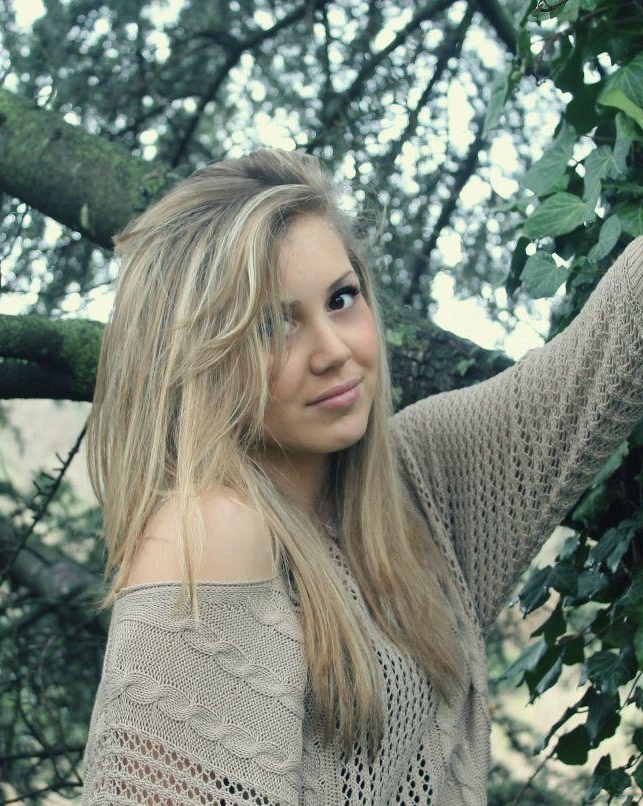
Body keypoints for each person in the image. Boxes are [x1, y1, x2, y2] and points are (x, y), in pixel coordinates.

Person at [79, 148, 643, 804]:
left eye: (341, 299)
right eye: (272, 325)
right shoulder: (209, 533)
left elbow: (613, 342)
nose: (333, 350)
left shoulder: (423, 474)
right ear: (197, 359)